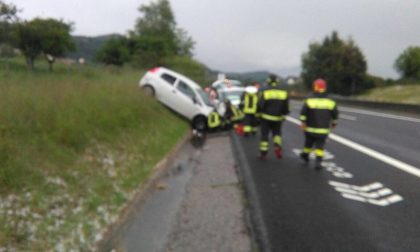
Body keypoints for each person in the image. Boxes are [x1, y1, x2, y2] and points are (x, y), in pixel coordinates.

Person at [299, 78, 339, 170]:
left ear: (315, 87)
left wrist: (303, 123)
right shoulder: (331, 101)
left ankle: (305, 155)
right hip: (323, 130)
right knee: (320, 146)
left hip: (310, 129)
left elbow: (303, 113)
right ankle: (318, 162)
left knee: (308, 144)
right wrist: (334, 123)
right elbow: (335, 114)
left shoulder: (309, 99)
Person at [258, 74, 289, 160]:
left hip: (265, 118)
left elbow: (260, 105)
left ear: (268, 81)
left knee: (264, 135)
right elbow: (286, 107)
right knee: (277, 134)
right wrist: (284, 114)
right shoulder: (283, 92)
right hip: (278, 118)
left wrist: (258, 114)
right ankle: (277, 146)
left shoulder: (265, 91)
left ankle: (263, 154)